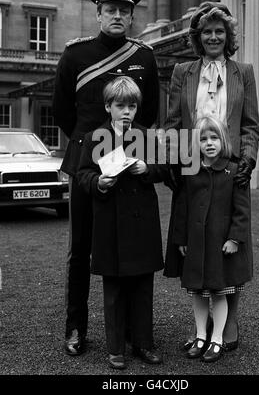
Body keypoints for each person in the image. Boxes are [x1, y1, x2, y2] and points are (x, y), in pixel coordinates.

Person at [52, 0, 160, 356]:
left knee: (129, 246)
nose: (117, 15)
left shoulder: (144, 56)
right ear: (98, 13)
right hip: (87, 164)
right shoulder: (75, 55)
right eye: (110, 9)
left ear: (131, 17)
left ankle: (133, 333)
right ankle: (76, 328)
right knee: (80, 249)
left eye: (124, 10)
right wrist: (89, 146)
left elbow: (150, 114)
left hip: (129, 165)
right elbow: (63, 110)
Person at [163, 1, 259, 351]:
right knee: (196, 242)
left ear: (228, 35)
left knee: (229, 242)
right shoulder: (182, 72)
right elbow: (172, 122)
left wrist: (248, 159)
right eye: (207, 31)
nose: (214, 36)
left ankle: (227, 321)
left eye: (220, 31)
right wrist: (171, 162)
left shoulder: (243, 72)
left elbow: (250, 125)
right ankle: (202, 327)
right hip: (193, 168)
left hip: (231, 168)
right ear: (198, 37)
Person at [77, 76, 167, 369]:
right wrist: (99, 182)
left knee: (143, 287)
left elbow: (165, 169)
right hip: (110, 222)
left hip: (142, 222)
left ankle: (143, 344)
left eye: (132, 106)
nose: (127, 111)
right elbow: (83, 174)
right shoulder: (93, 137)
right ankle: (116, 348)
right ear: (108, 107)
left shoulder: (147, 136)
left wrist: (148, 168)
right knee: (114, 289)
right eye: (120, 106)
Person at [170, 116, 252, 362]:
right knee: (198, 293)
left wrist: (235, 239)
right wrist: (181, 239)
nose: (209, 143)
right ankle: (200, 336)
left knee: (219, 293)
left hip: (220, 245)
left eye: (214, 137)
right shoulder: (191, 170)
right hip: (196, 244)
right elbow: (182, 208)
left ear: (223, 140)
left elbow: (242, 210)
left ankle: (217, 338)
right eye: (203, 139)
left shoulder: (234, 170)